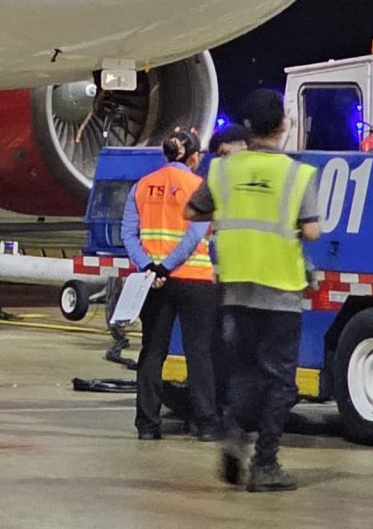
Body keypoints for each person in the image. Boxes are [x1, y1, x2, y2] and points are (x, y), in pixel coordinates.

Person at [189, 88, 320, 494]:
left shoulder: (222, 170)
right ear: (283, 126)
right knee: (280, 381)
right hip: (281, 288)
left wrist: (231, 213)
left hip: (236, 288)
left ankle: (233, 429)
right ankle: (265, 464)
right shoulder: (298, 174)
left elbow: (191, 211)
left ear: (246, 128)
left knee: (244, 373)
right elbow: (312, 230)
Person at [124, 125, 218, 442]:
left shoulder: (141, 186)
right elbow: (195, 235)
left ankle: (147, 425)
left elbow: (128, 234)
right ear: (192, 157)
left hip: (154, 281)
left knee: (152, 351)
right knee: (199, 353)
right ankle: (205, 423)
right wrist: (169, 266)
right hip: (194, 279)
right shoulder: (198, 186)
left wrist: (151, 266)